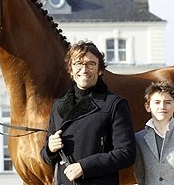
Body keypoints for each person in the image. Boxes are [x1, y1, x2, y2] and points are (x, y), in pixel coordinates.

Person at [40, 40, 136, 185]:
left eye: (91, 64)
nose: (84, 70)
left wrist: (84, 167)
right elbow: (46, 158)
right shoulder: (58, 106)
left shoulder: (114, 104)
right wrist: (49, 148)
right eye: (78, 64)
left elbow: (126, 153)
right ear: (70, 70)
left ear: (100, 70)